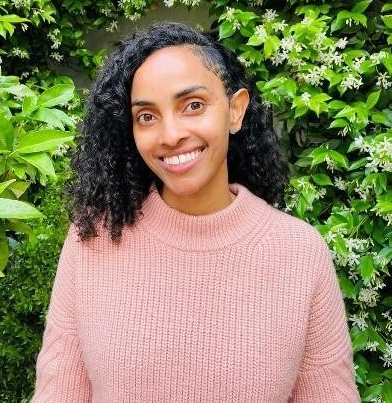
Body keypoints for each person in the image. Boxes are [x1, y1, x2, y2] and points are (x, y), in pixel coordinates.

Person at [32, 22, 359, 402]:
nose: (171, 135)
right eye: (147, 116)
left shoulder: (299, 252)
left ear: (235, 110)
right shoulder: (94, 238)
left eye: (193, 106)